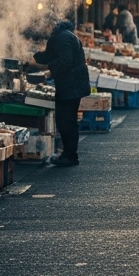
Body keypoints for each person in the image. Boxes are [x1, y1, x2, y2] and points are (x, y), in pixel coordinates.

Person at [33, 18, 90, 167]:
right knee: (66, 120)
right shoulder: (61, 36)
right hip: (70, 85)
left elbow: (65, 61)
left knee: (66, 121)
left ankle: (70, 156)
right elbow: (51, 55)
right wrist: (34, 57)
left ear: (50, 25)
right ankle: (68, 154)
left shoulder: (63, 38)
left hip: (71, 85)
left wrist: (48, 70)